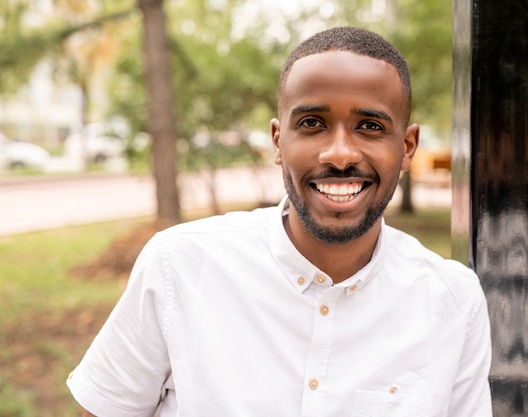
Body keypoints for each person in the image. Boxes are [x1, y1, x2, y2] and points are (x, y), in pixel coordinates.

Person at [67, 26, 493, 417]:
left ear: (407, 147)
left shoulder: (453, 302)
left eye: (369, 125)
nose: (340, 154)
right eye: (312, 123)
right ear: (277, 142)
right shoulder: (178, 266)